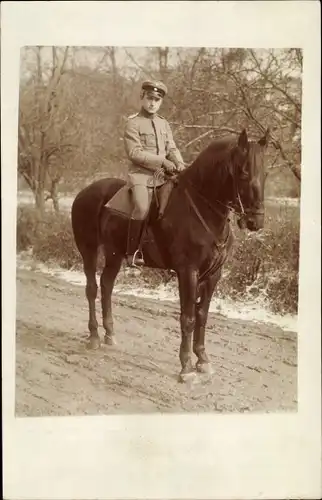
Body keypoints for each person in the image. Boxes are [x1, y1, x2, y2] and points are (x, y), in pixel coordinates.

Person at [123, 79, 185, 267]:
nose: (152, 103)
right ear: (142, 97)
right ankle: (132, 252)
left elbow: (171, 147)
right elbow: (134, 153)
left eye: (157, 100)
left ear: (161, 102)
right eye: (149, 98)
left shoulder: (163, 124)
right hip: (141, 175)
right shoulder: (133, 123)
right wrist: (162, 161)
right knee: (142, 208)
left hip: (163, 176)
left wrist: (179, 162)